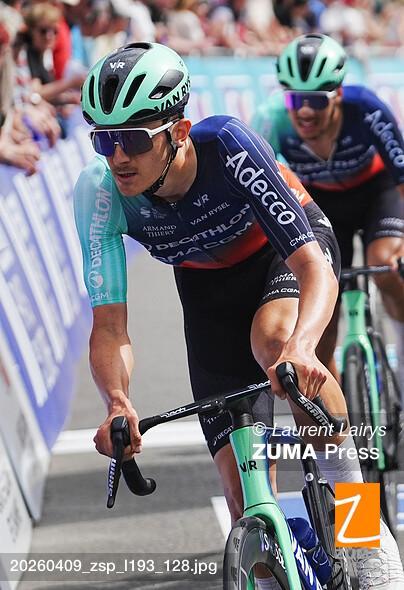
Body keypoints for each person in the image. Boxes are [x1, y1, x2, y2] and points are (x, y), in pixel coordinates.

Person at [74, 42, 404, 589]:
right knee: (242, 497)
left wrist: (302, 347)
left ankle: (367, 536)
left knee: (274, 345)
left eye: (133, 139)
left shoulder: (227, 145)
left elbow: (314, 268)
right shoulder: (101, 193)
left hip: (284, 253)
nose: (118, 157)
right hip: (207, 290)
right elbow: (109, 326)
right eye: (104, 139)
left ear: (179, 132)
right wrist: (117, 400)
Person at [252, 33, 404, 385]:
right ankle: (338, 408)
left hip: (376, 193)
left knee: (385, 265)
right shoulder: (270, 119)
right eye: (295, 98)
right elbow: (257, 193)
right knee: (320, 311)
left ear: (338, 94)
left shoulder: (365, 108)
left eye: (316, 100)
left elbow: (401, 175)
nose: (305, 111)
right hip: (323, 204)